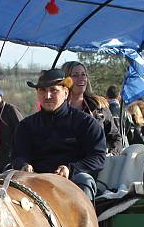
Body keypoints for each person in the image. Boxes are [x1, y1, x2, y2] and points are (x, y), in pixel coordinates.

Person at [11, 69, 107, 201]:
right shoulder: (25, 126)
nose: (47, 95)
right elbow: (18, 155)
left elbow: (98, 157)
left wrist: (71, 169)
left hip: (72, 182)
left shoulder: (86, 123)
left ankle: (89, 221)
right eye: (42, 90)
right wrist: (23, 165)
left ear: (66, 93)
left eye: (54, 90)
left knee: (84, 180)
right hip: (34, 182)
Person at [61, 61, 123, 155]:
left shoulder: (98, 106)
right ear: (66, 80)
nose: (81, 78)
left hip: (97, 165)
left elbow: (115, 136)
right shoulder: (58, 109)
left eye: (83, 74)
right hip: (66, 166)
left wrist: (113, 153)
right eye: (75, 75)